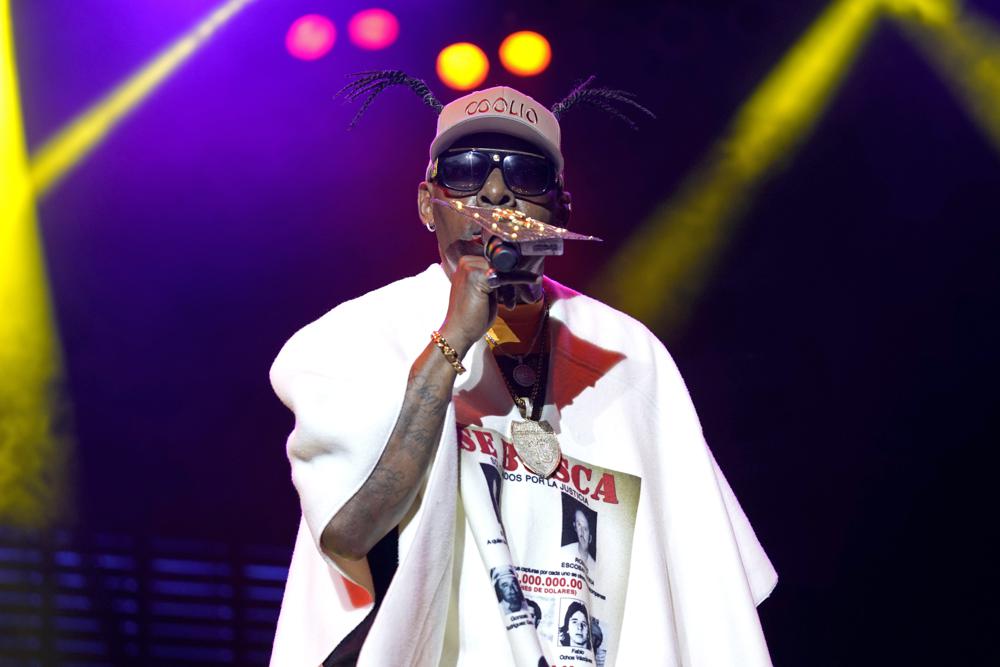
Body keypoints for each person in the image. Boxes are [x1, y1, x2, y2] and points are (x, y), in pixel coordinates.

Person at [268, 74, 777, 666]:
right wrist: (454, 339)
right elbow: (349, 532)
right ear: (426, 204)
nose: (494, 194)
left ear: (560, 208)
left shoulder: (629, 354)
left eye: (524, 174)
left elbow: (705, 586)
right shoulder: (357, 336)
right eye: (465, 170)